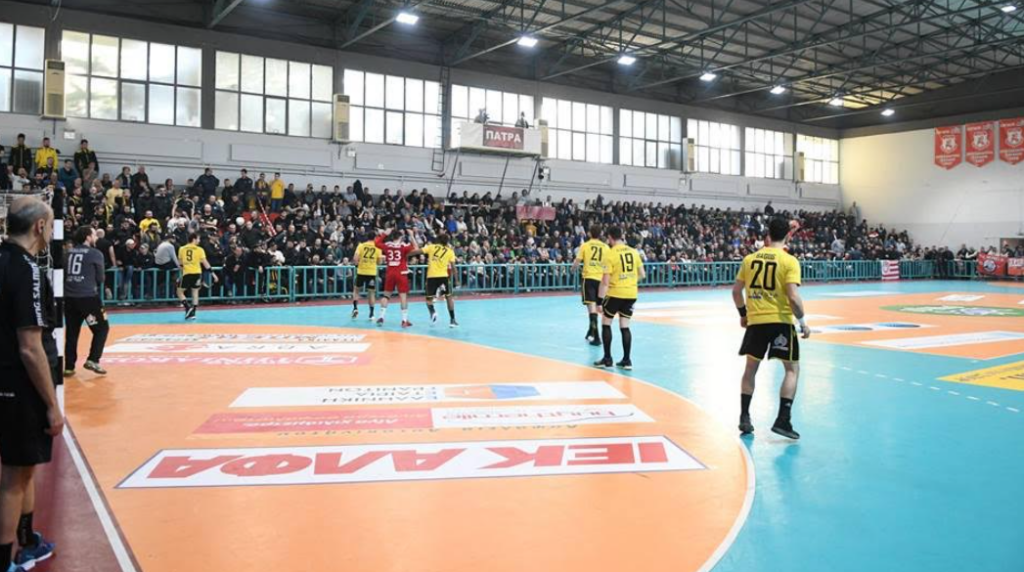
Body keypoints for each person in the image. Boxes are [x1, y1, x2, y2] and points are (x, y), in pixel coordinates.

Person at [0, 197, 63, 572]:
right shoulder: (27, 270)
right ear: (40, 226)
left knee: (23, 468)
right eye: (50, 224)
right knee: (13, 476)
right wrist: (52, 404)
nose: (51, 231)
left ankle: (27, 541)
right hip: (18, 385)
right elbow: (30, 347)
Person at [731, 217, 811, 440]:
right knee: (792, 369)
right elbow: (793, 297)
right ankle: (782, 420)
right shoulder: (789, 261)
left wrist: (743, 315)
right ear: (787, 235)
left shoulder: (749, 259)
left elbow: (736, 292)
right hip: (781, 322)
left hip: (756, 322)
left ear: (768, 234)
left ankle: (745, 416)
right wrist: (803, 322)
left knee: (750, 369)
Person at [593, 227, 645, 370]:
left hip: (615, 293)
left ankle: (607, 359)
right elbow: (642, 274)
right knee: (625, 326)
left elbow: (605, 282)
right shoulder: (634, 252)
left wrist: (599, 301)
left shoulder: (610, 254)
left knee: (606, 323)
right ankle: (627, 360)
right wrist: (630, 282)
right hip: (631, 294)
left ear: (610, 237)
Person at [62, 226, 109, 377]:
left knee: (72, 332)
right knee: (102, 328)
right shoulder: (95, 253)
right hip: (88, 297)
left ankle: (69, 366)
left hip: (69, 298)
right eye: (94, 235)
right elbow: (100, 278)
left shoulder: (67, 253)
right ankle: (93, 359)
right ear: (88, 237)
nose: (96, 238)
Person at [572, 225, 609, 347]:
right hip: (601, 280)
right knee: (598, 307)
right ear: (600, 234)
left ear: (589, 233)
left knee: (591, 309)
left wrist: (572, 269)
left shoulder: (585, 245)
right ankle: (591, 330)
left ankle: (597, 337)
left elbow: (577, 261)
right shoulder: (605, 247)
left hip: (588, 279)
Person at [375, 228, 418, 328]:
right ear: (400, 237)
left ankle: (381, 317)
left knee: (386, 295)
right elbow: (416, 248)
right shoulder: (403, 246)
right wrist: (412, 235)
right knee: (403, 297)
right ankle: (404, 320)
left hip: (390, 273)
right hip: (401, 273)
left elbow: (376, 243)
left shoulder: (387, 245)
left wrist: (384, 234)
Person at [419, 233, 459, 327]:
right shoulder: (450, 251)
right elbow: (454, 267)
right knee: (449, 297)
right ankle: (452, 320)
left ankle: (432, 312)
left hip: (431, 276)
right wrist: (457, 279)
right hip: (443, 276)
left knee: (428, 298)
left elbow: (418, 251)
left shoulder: (431, 247)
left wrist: (405, 253)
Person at [177, 233, 216, 320]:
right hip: (197, 273)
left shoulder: (182, 249)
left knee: (179, 291)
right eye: (198, 239)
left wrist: (182, 270)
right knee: (195, 292)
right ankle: (193, 312)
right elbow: (205, 263)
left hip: (187, 273)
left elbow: (180, 263)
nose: (199, 241)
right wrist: (213, 274)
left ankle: (187, 307)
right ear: (194, 239)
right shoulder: (200, 249)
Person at [352, 234, 383, 320]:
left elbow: (355, 258)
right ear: (375, 238)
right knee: (371, 293)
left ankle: (355, 308)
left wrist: (357, 265)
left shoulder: (361, 246)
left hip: (361, 271)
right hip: (371, 273)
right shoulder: (378, 247)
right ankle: (371, 314)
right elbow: (380, 262)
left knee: (356, 290)